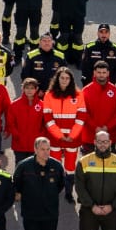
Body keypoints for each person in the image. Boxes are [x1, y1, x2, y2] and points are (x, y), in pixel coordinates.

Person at [15, 137, 64, 230]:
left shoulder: (57, 166)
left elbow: (60, 186)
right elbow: (17, 185)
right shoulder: (24, 166)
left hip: (50, 214)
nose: (46, 152)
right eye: (42, 149)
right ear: (35, 149)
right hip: (31, 214)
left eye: (48, 149)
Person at [40, 65, 86, 198]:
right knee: (54, 165)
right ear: (57, 79)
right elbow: (47, 118)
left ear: (71, 80)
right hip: (55, 138)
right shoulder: (49, 95)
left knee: (70, 166)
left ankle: (68, 192)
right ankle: (54, 190)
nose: (64, 80)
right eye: (62, 78)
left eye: (67, 78)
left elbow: (81, 117)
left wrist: (72, 135)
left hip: (72, 138)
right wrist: (59, 135)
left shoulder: (78, 95)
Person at [7, 77, 46, 165]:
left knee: (35, 167)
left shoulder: (42, 105)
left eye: (32, 88)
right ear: (23, 88)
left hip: (36, 144)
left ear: (36, 89)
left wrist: (40, 136)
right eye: (27, 88)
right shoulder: (14, 105)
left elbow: (45, 124)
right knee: (20, 167)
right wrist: (17, 136)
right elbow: (10, 123)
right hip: (19, 144)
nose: (29, 90)